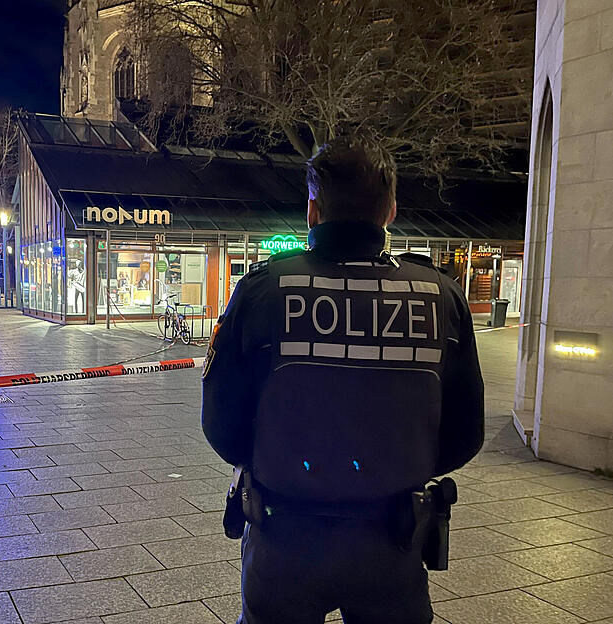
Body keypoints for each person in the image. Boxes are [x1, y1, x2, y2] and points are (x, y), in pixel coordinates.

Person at [202, 137, 484, 624]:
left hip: (283, 536)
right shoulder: (439, 297)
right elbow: (465, 432)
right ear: (390, 209)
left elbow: (221, 424)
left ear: (313, 209)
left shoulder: (264, 290)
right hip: (393, 538)